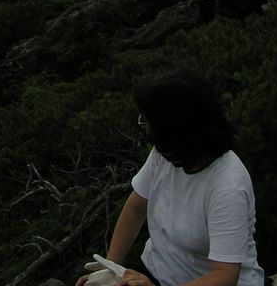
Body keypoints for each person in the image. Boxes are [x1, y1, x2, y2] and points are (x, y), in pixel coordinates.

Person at [75, 72, 264, 286]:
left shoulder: (228, 187)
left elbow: (225, 276)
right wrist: (112, 267)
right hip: (156, 272)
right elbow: (137, 207)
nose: (144, 127)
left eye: (147, 121)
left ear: (175, 130)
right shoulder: (167, 155)